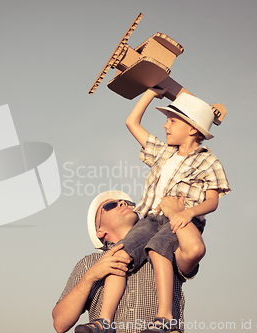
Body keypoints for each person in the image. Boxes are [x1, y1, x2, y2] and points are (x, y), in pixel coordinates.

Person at [83, 88, 231, 333]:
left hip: (181, 219)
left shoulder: (208, 160)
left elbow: (212, 201)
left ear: (192, 128)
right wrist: (152, 92)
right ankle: (104, 321)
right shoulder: (163, 153)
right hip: (151, 217)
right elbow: (132, 122)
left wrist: (187, 214)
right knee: (118, 255)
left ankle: (165, 318)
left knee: (158, 250)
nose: (165, 126)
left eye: (172, 121)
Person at [52, 191, 195, 333]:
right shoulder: (89, 263)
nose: (123, 203)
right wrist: (91, 276)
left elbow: (194, 250)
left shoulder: (163, 249)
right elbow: (60, 324)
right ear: (100, 231)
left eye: (128, 203)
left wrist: (178, 214)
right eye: (110, 205)